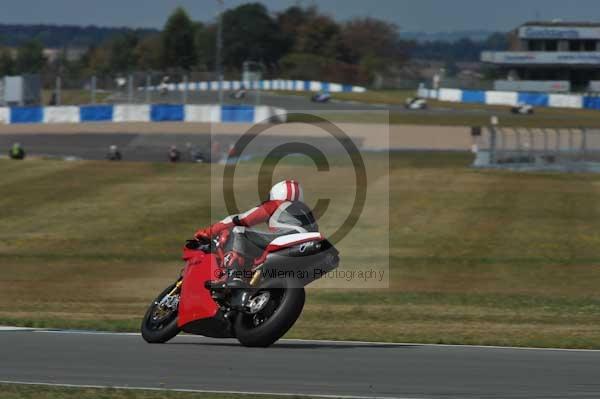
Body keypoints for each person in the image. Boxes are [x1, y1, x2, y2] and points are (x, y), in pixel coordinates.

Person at [195, 180, 318, 290]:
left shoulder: (276, 204)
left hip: (288, 238)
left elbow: (242, 219)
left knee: (238, 230)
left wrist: (209, 231)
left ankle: (232, 276)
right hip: (310, 248)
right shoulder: (307, 212)